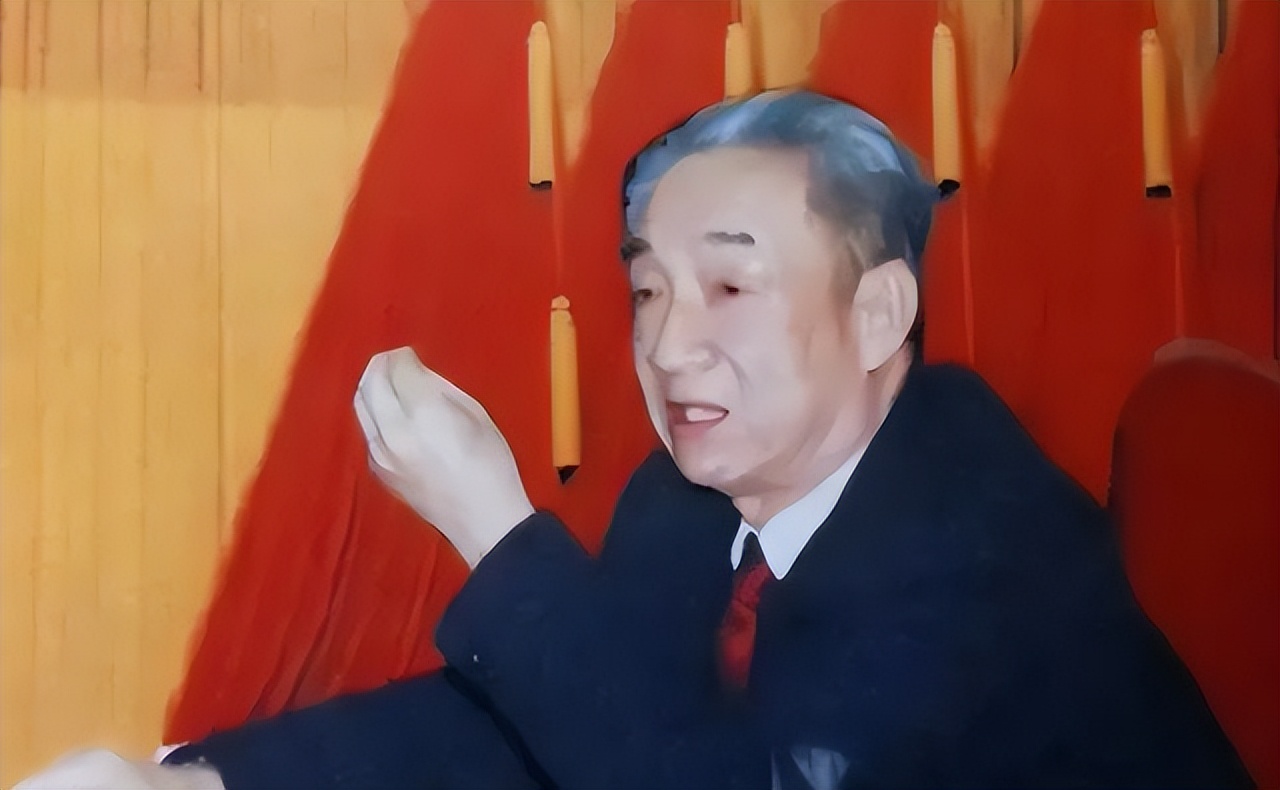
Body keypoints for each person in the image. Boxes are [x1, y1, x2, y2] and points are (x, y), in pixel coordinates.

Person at [15, 90, 1252, 789]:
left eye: (729, 287)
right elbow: (548, 720)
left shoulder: (981, 537)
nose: (663, 346)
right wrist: (200, 780)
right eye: (648, 289)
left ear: (878, 313)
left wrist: (492, 526)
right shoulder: (691, 496)